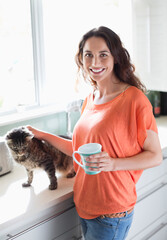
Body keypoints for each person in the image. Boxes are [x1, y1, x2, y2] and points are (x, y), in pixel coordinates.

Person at [27, 26, 162, 240]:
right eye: (88, 55)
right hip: (85, 206)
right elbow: (78, 151)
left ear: (116, 58)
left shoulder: (134, 99)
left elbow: (155, 155)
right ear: (81, 59)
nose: (95, 62)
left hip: (112, 211)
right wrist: (43, 135)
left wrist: (113, 163)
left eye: (103, 55)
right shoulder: (91, 98)